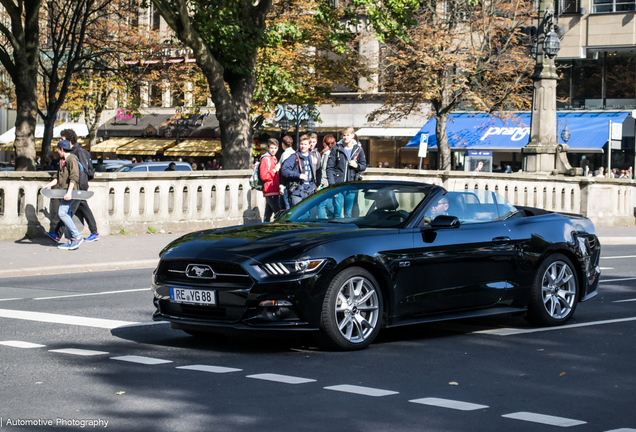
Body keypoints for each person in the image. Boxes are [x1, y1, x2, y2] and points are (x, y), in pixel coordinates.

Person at [45, 129, 100, 243]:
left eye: (62, 139)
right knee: (79, 209)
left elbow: (81, 171)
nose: (61, 141)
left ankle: (63, 235)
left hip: (77, 186)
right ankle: (92, 233)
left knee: (67, 212)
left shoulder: (77, 152)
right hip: (74, 187)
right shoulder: (68, 154)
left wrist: (73, 188)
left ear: (69, 140)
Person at [42, 140, 84, 250]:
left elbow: (74, 178)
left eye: (58, 150)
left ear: (61, 149)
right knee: (67, 214)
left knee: (62, 212)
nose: (57, 152)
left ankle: (77, 236)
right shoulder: (62, 161)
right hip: (62, 192)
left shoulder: (72, 160)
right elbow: (57, 178)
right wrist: (48, 185)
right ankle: (72, 241)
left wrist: (69, 192)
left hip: (70, 191)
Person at [326, 126, 367, 218]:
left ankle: (346, 231)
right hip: (338, 185)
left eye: (348, 135)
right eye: (344, 135)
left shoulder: (358, 149)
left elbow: (364, 166)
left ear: (353, 135)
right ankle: (337, 231)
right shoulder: (336, 148)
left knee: (348, 214)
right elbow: (329, 168)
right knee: (337, 213)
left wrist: (357, 166)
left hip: (351, 185)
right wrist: (332, 185)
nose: (345, 137)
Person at [281, 134, 319, 206]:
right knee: (298, 216)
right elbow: (284, 170)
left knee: (309, 216)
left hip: (309, 192)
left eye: (305, 144)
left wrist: (313, 185)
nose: (303, 146)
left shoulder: (310, 156)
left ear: (309, 145)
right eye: (301, 144)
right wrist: (298, 175)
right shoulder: (294, 157)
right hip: (297, 192)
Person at [259, 138, 282, 222]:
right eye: (271, 148)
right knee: (278, 212)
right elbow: (264, 176)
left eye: (275, 148)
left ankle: (264, 227)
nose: (273, 150)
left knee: (268, 214)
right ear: (268, 148)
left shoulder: (274, 159)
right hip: (270, 190)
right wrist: (275, 170)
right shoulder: (265, 159)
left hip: (273, 190)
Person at [318, 135, 337, 218]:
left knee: (321, 205)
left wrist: (321, 183)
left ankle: (321, 225)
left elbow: (325, 169)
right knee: (329, 205)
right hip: (330, 182)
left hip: (325, 182)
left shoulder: (327, 154)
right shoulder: (334, 152)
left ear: (324, 143)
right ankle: (338, 217)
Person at [278, 135, 296, 210]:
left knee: (286, 206)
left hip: (285, 183)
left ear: (283, 144)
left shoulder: (285, 154)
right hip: (293, 182)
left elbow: (280, 168)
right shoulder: (295, 153)